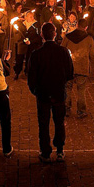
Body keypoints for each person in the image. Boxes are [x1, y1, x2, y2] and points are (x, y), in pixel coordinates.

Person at [28, 23, 74, 162]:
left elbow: (31, 76)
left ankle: (45, 152)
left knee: (43, 123)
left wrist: (35, 90)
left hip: (43, 93)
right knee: (59, 122)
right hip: (58, 92)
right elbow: (70, 73)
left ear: (42, 35)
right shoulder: (64, 51)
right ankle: (60, 150)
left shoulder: (36, 54)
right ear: (55, 34)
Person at [62, 19, 94, 118]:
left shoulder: (67, 37)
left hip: (69, 66)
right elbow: (92, 55)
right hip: (82, 67)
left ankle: (67, 109)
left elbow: (62, 50)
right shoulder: (89, 39)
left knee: (68, 88)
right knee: (81, 89)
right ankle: (81, 111)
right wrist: (92, 69)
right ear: (86, 27)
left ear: (77, 25)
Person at [13, 11, 42, 79]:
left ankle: (28, 72)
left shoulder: (36, 25)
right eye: (30, 16)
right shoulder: (21, 24)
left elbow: (38, 37)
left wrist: (31, 42)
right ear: (26, 17)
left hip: (32, 45)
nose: (32, 18)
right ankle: (17, 72)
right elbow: (17, 33)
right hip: (22, 44)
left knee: (29, 59)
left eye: (32, 16)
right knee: (19, 58)